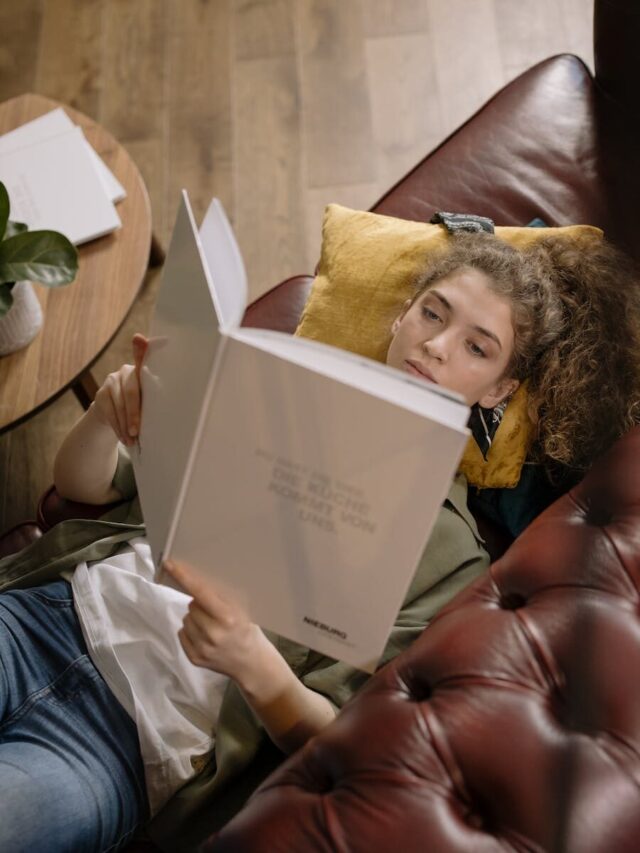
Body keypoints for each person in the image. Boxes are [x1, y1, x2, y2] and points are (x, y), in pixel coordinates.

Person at [0, 231, 638, 852]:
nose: (438, 345)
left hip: (124, 741)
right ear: (400, 318)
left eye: (478, 347)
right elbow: (84, 485)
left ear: (499, 389)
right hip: (48, 617)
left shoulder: (453, 557)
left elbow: (335, 734)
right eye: (432, 313)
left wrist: (253, 659)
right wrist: (106, 415)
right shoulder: (273, 390)